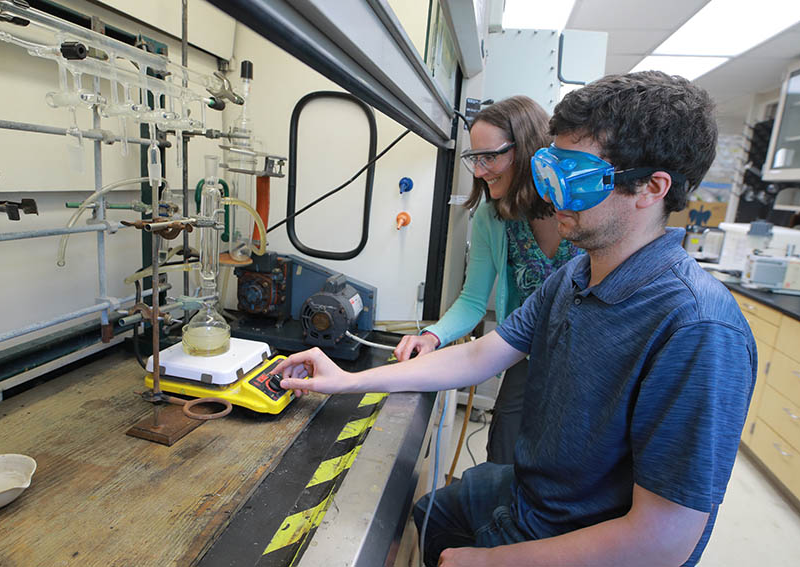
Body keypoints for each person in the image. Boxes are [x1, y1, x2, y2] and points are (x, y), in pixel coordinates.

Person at [276, 71, 756, 567]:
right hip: (531, 499)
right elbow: (483, 353)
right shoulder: (575, 275)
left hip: (577, 539)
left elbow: (663, 541)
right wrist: (348, 380)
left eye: (573, 177)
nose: (549, 193)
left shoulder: (698, 331)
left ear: (651, 188)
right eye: (550, 167)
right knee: (431, 515)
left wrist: (487, 562)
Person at [394, 96, 580, 464]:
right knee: (503, 457)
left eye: (489, 157)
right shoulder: (493, 218)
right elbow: (473, 300)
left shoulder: (580, 209)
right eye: (474, 159)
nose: (479, 171)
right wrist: (432, 336)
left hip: (583, 364)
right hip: (525, 358)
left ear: (526, 151)